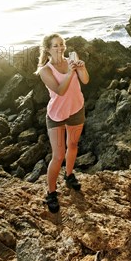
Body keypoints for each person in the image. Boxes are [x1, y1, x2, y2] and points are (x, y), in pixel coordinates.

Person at [36, 33, 89, 212]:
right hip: (56, 116)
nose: (59, 48)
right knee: (58, 155)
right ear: (48, 49)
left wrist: (81, 67)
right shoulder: (45, 70)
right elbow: (60, 90)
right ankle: (51, 193)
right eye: (55, 45)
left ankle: (69, 175)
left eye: (61, 44)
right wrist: (70, 72)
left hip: (76, 109)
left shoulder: (71, 62)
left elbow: (85, 80)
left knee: (73, 144)